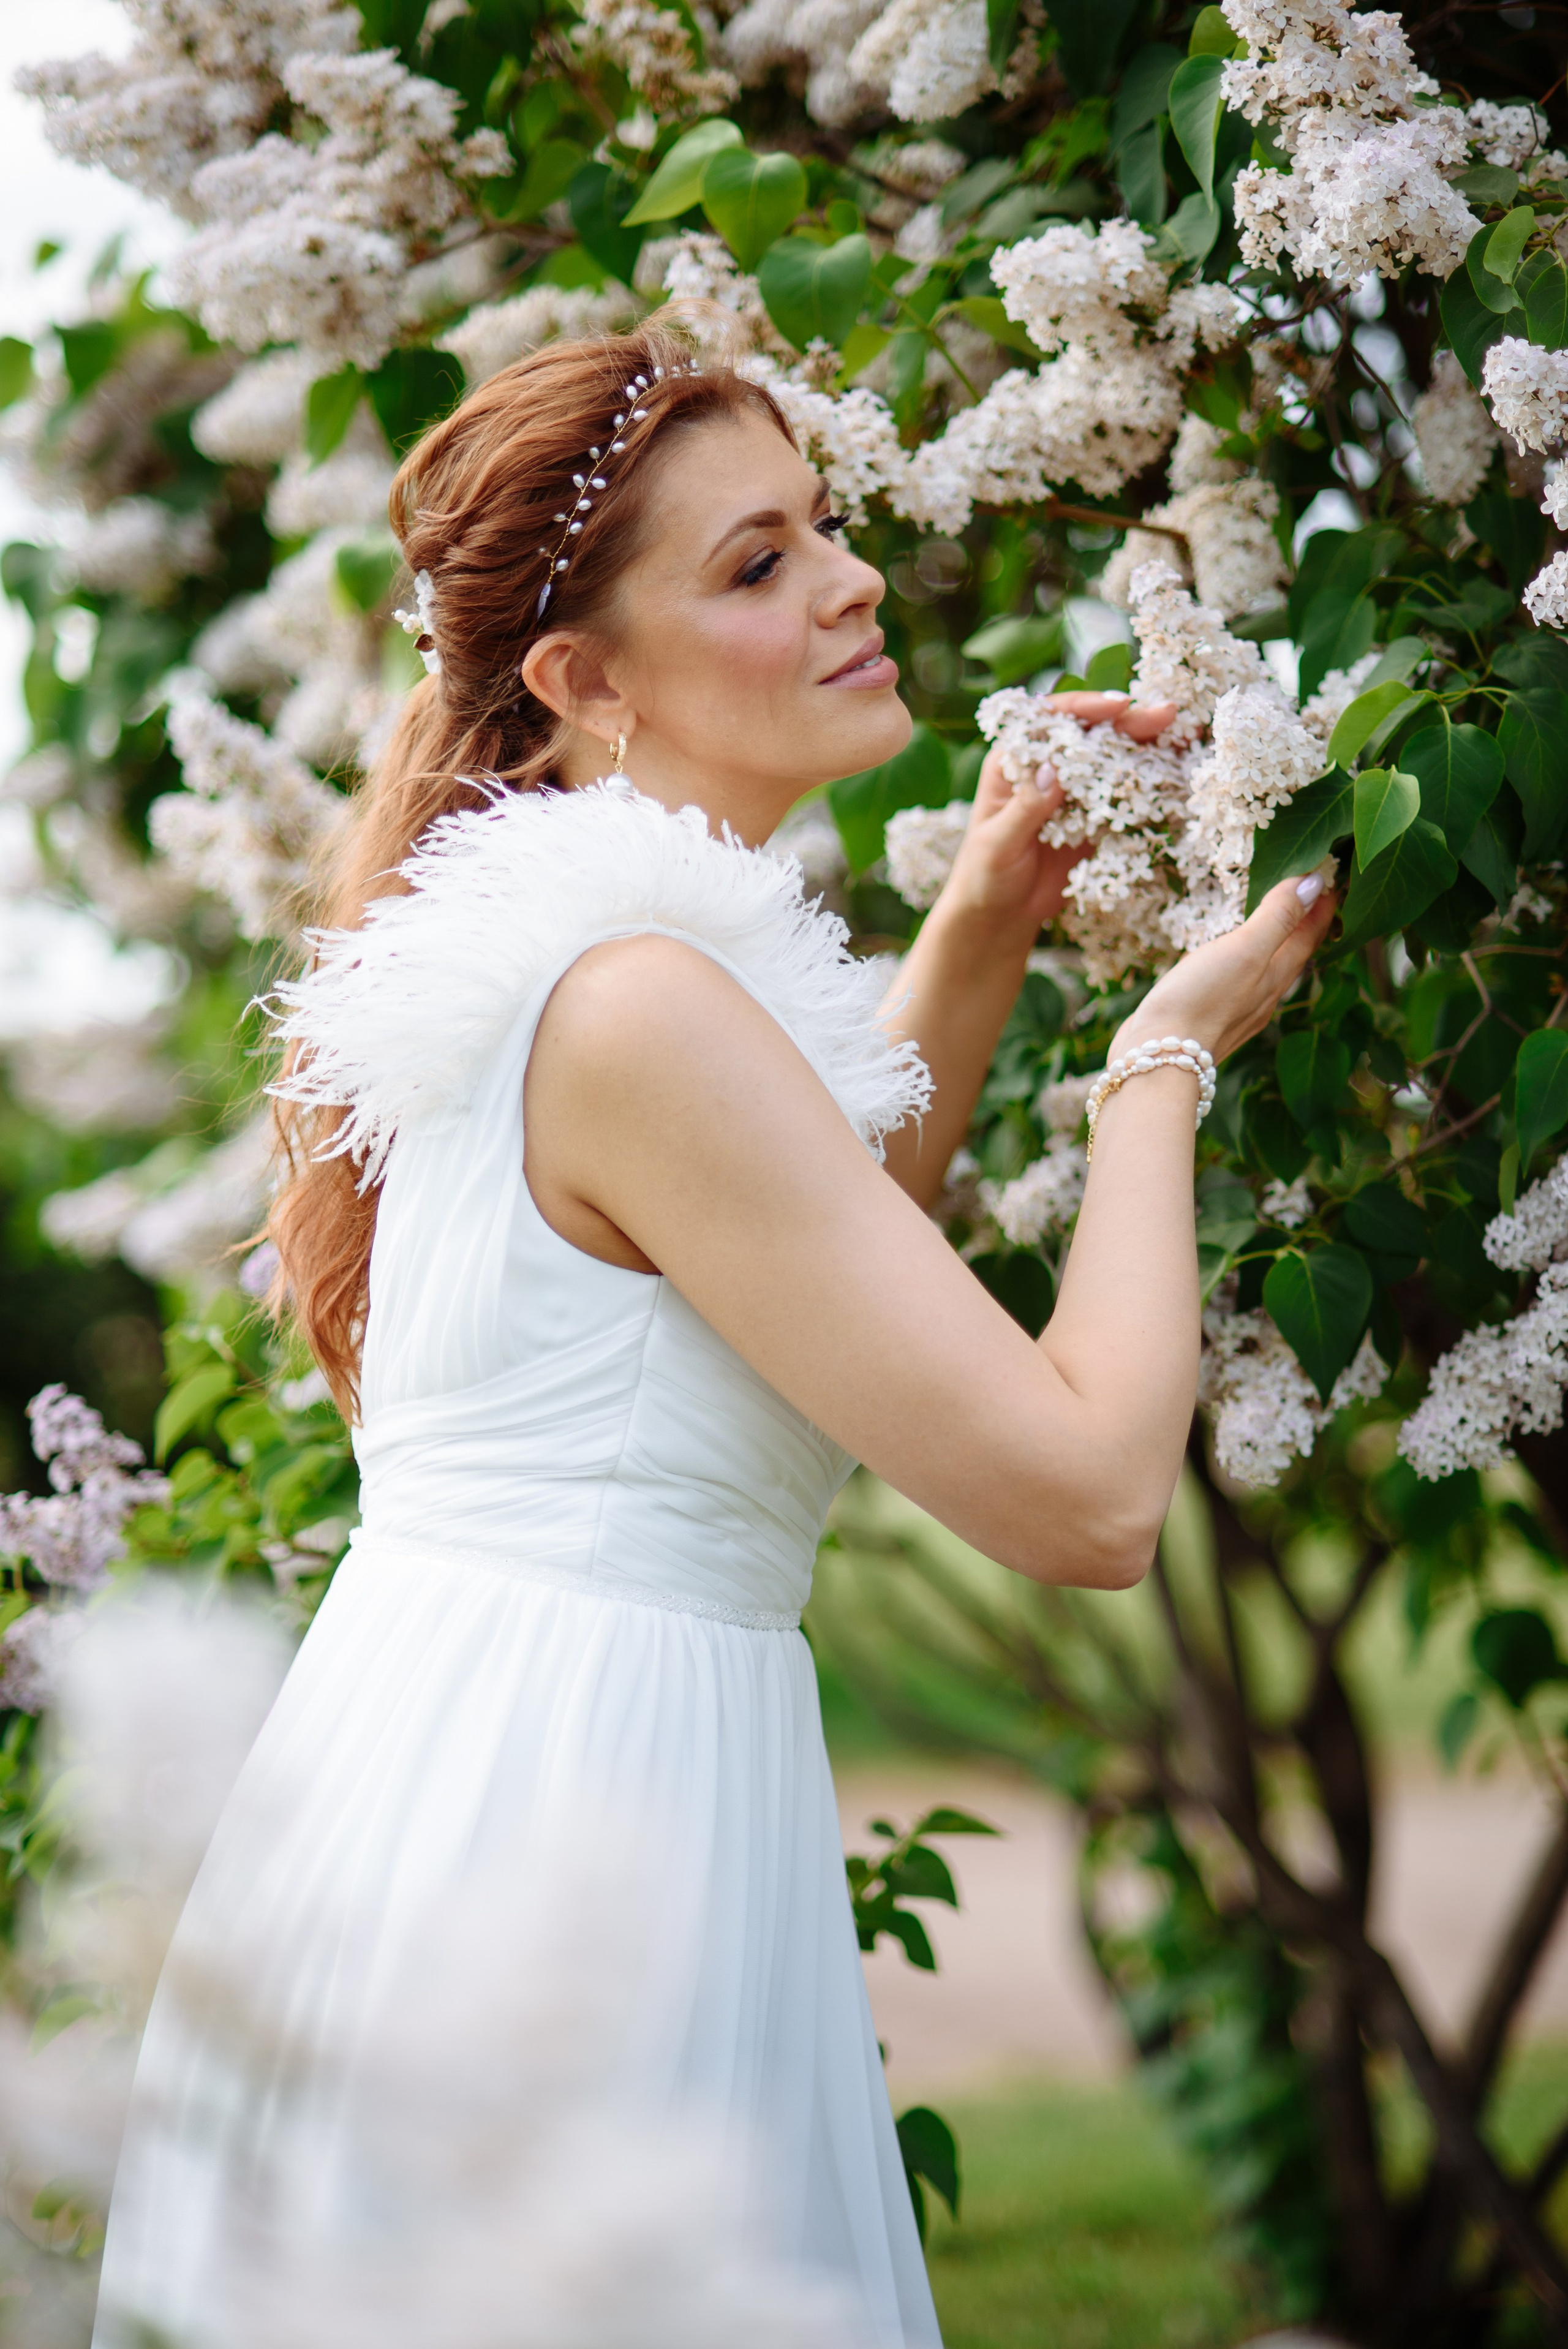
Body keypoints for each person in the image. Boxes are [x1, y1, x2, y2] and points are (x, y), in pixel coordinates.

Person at [91, 314, 1332, 2347]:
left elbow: (792, 1274)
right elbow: (1096, 1494)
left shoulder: (579, 963)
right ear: (584, 682)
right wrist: (1161, 1059)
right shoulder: (642, 1005)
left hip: (470, 1758)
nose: (850, 580)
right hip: (575, 1817)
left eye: (825, 530)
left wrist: (988, 913)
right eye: (754, 565)